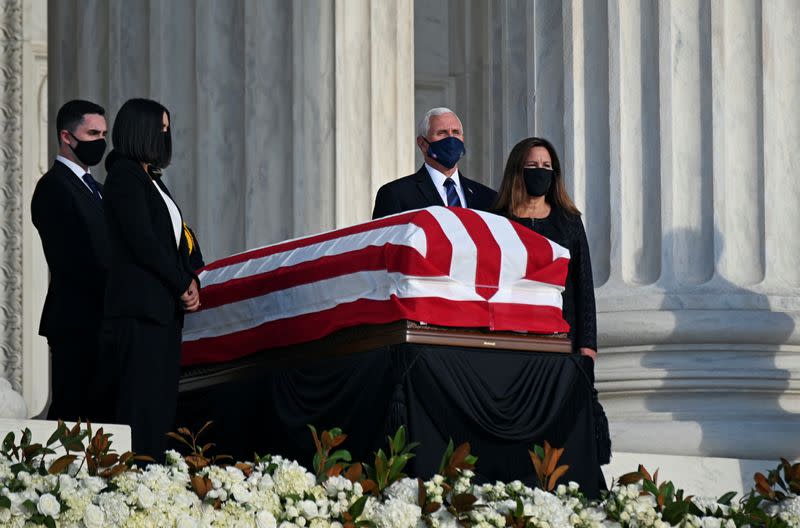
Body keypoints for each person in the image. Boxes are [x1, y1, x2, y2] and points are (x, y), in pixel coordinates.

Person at [493, 137, 610, 470]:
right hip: (511, 340)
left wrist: (587, 346)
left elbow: (583, 286)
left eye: (547, 167)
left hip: (560, 342)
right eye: (532, 166)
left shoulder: (569, 221)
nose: (540, 173)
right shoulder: (497, 219)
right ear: (518, 169)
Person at [98, 98, 200, 459]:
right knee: (139, 409)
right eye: (161, 128)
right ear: (140, 130)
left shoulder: (153, 181)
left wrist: (191, 279)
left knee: (159, 409)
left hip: (163, 313)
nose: (166, 136)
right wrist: (178, 281)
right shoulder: (125, 177)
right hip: (139, 313)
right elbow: (143, 241)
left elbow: (179, 241)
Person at [31, 99, 109, 422]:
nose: (101, 142)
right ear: (67, 136)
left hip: (104, 319)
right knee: (73, 415)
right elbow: (71, 257)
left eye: (104, 133)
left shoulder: (101, 190)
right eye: (92, 133)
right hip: (77, 319)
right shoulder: (52, 187)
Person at [372, 107, 496, 219]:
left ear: (462, 139)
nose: (451, 139)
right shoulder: (395, 194)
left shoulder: (488, 197)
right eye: (442, 133)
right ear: (422, 143)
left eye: (456, 132)